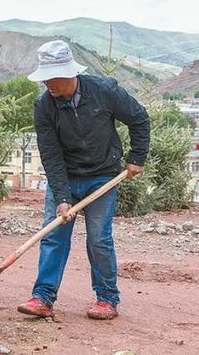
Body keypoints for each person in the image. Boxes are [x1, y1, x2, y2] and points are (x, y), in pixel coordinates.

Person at [18, 40, 150, 320]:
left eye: (51, 78)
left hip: (102, 177)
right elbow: (51, 154)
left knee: (99, 239)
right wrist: (63, 197)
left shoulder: (105, 91)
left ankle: (107, 299)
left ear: (70, 74)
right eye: (44, 79)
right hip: (64, 177)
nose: (47, 84)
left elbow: (139, 118)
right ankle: (42, 297)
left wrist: (137, 158)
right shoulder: (44, 106)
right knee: (54, 236)